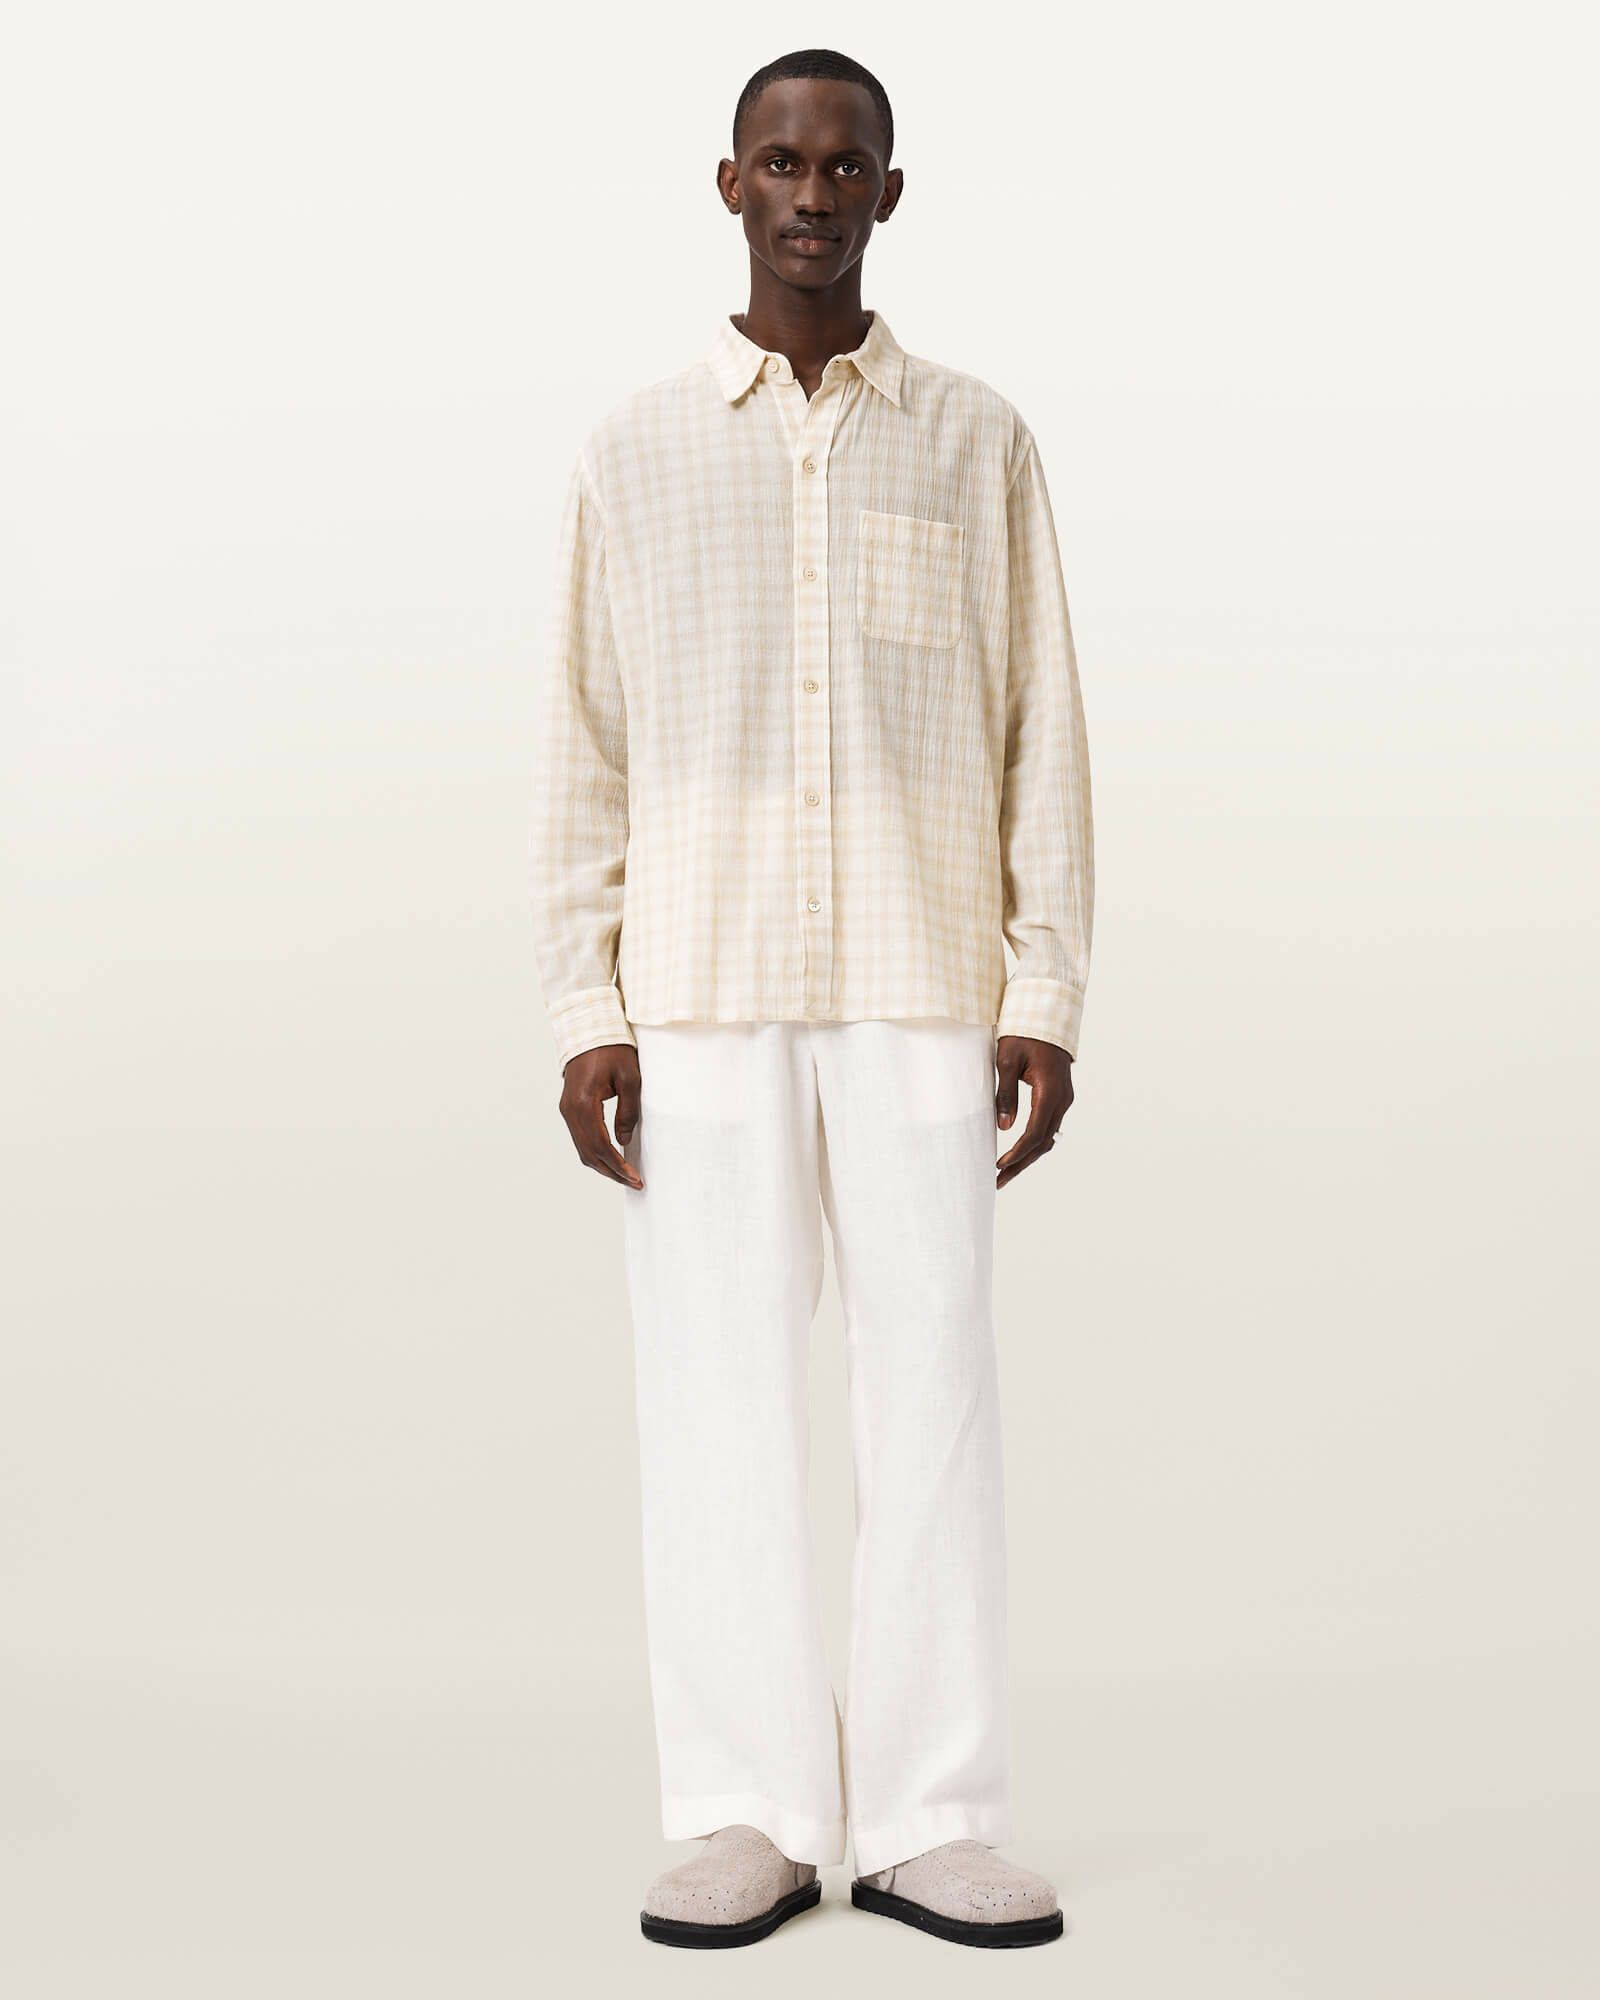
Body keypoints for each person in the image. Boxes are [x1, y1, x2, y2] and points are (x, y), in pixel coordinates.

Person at [529, 46, 1093, 1952]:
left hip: (925, 974)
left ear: (890, 195)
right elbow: (583, 749)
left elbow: (1042, 732)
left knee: (932, 1391)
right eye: (780, 161)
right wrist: (583, 1006)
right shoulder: (634, 450)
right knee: (715, 1397)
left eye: (846, 166)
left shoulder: (975, 441)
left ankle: (933, 1813)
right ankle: (748, 1813)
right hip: (699, 984)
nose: (812, 194)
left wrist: (1047, 983)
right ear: (728, 184)